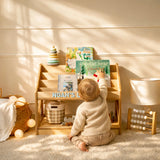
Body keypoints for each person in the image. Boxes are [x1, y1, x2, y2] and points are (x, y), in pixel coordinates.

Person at [69, 70, 115, 152]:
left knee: (74, 138)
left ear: (80, 96)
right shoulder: (102, 97)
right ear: (98, 91)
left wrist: (72, 134)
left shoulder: (82, 108)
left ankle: (80, 144)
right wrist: (101, 77)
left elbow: (78, 125)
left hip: (90, 138)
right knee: (113, 133)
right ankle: (107, 137)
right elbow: (103, 86)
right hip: (106, 136)